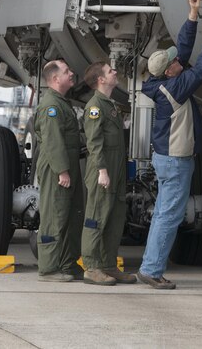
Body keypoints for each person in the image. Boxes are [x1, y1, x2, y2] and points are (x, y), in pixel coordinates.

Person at [137, 0, 202, 290]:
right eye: (175, 62)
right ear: (171, 70)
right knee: (169, 216)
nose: (179, 60)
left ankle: (149, 265)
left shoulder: (161, 83)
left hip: (167, 159)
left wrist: (193, 13)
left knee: (163, 213)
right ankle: (151, 270)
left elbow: (183, 51)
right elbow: (200, 69)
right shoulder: (177, 89)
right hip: (175, 162)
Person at [81, 61, 136, 285]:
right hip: (103, 171)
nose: (115, 71)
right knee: (97, 218)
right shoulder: (95, 106)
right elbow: (94, 142)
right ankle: (91, 267)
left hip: (116, 170)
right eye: (110, 70)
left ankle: (108, 265)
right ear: (101, 80)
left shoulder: (109, 104)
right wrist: (102, 171)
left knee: (114, 219)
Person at [34, 59, 84, 282]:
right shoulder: (50, 106)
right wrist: (62, 171)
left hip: (68, 164)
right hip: (57, 167)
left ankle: (68, 264)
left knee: (72, 215)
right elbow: (53, 142)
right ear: (55, 79)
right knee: (55, 215)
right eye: (67, 71)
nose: (72, 73)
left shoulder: (62, 102)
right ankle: (49, 268)